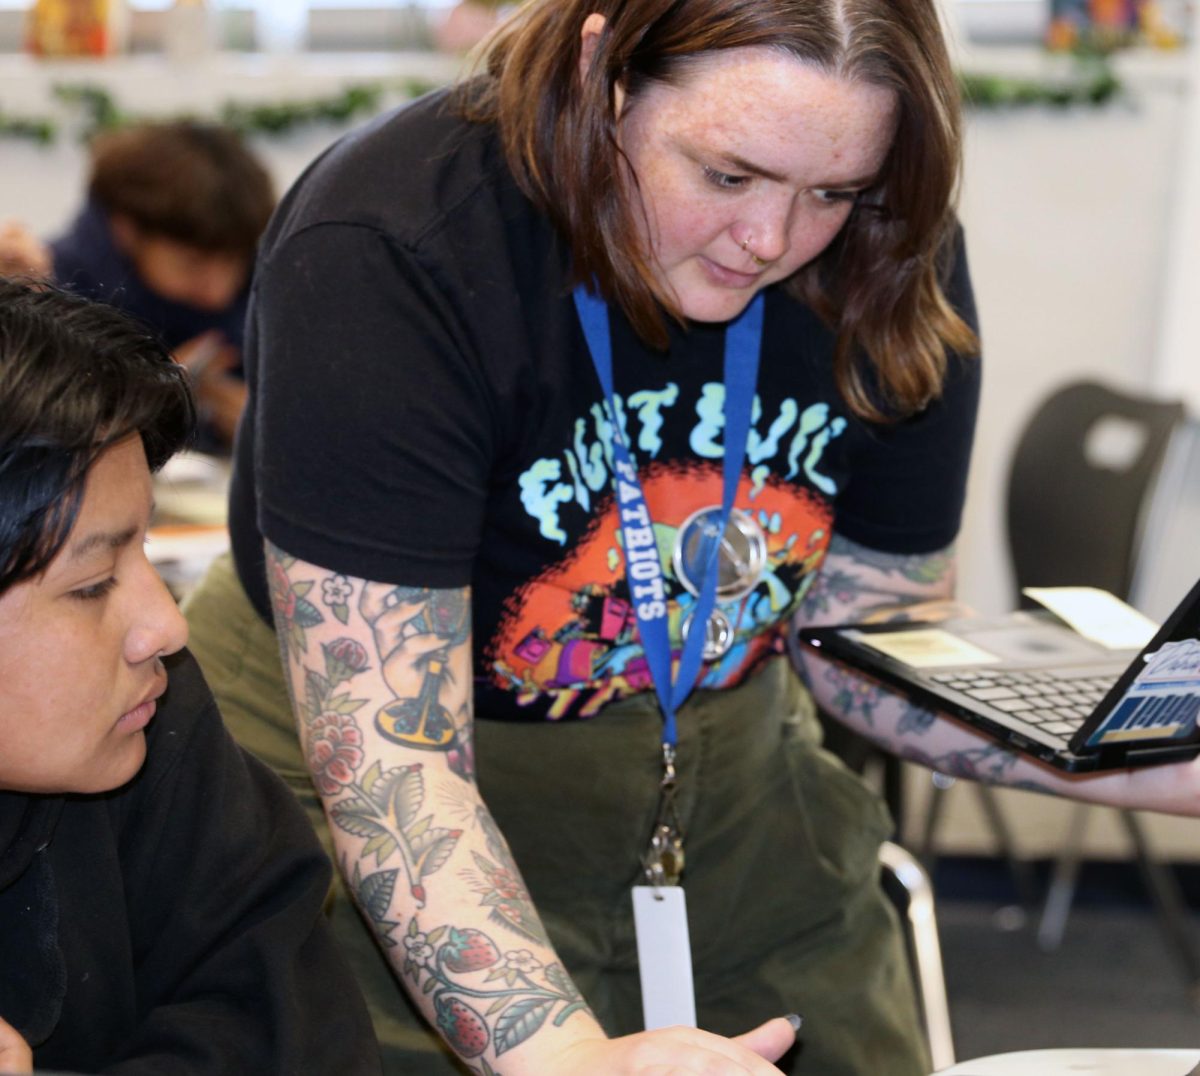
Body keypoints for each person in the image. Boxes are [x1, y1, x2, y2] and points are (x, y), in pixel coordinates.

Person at [181, 1, 1200, 1073]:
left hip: (725, 781)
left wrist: (1132, 764)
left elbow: (862, 640)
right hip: (388, 796)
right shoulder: (398, 241)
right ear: (603, 72)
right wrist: (566, 1056)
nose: (771, 239)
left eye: (831, 191)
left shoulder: (891, 248)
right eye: (726, 174)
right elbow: (396, 759)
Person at [0, 279, 382, 1075]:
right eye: (91, 584)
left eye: (143, 548)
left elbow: (292, 1028)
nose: (165, 626)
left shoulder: (146, 715)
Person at [0, 120, 274, 452]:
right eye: (193, 265)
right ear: (126, 230)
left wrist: (269, 427)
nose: (219, 291)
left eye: (235, 262)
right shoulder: (51, 288)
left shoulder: (266, 289)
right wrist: (153, 396)